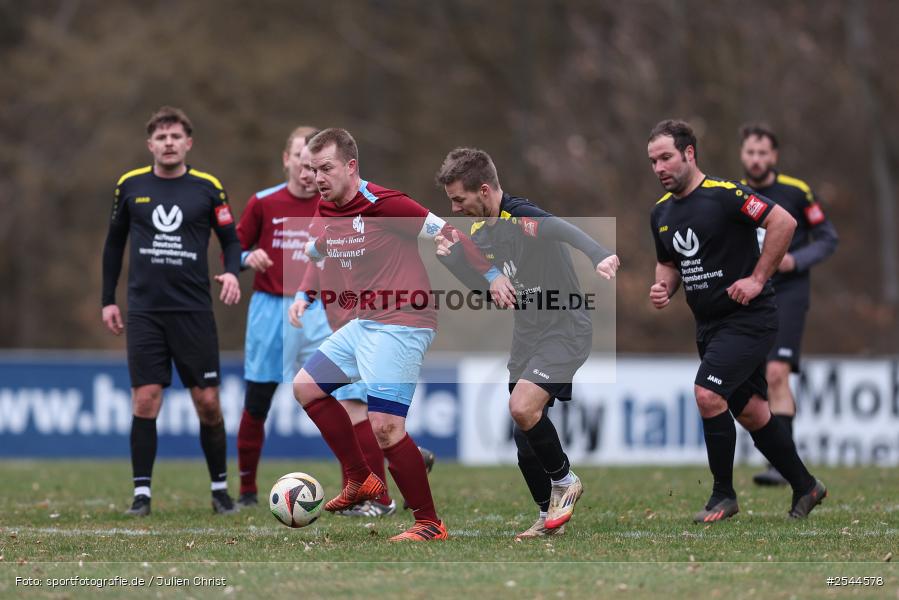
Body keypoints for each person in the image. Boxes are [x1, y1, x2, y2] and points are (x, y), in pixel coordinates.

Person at [433, 148, 620, 539]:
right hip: (528, 333)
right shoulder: (481, 233)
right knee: (524, 434)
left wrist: (600, 254)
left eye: (458, 199)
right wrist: (463, 267)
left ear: (483, 190)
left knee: (521, 407)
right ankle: (547, 516)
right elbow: (492, 293)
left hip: (564, 327)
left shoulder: (521, 216)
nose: (454, 207)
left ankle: (566, 480)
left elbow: (561, 229)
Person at [647, 119, 826, 523]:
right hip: (708, 327)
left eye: (666, 157)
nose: (659, 167)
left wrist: (757, 278)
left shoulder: (725, 195)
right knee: (753, 413)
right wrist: (663, 287)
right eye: (653, 161)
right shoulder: (660, 213)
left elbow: (784, 222)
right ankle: (806, 485)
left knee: (708, 395)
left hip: (749, 319)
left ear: (689, 154)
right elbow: (669, 263)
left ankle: (723, 496)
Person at [288, 128, 453, 541]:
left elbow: (445, 232)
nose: (317, 177)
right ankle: (361, 479)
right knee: (307, 388)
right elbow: (317, 252)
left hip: (403, 321)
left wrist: (489, 276)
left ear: (350, 166)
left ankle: (429, 523)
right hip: (365, 322)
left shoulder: (386, 203)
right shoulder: (326, 209)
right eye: (312, 169)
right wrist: (305, 294)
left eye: (325, 168)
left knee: (385, 427)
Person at [101, 106, 242, 516]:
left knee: (208, 402)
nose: (168, 143)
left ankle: (220, 492)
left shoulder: (208, 187)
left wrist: (232, 273)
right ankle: (141, 496)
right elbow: (113, 245)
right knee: (145, 399)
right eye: (161, 137)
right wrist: (108, 299)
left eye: (175, 137)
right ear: (150, 145)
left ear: (188, 143)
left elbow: (231, 241)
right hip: (145, 311)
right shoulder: (129, 186)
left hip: (194, 310)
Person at [233, 126, 334, 507]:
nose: (308, 172)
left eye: (316, 165)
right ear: (286, 160)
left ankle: (362, 489)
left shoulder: (334, 203)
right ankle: (246, 492)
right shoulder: (263, 203)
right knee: (257, 399)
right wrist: (245, 258)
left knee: (343, 398)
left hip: (320, 310)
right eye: (301, 162)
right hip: (270, 309)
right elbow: (234, 249)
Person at [738, 124, 839, 486]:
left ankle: (783, 465)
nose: (756, 159)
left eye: (763, 153)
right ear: (742, 154)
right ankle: (779, 460)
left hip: (790, 291)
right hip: (752, 292)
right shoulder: (735, 194)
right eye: (751, 152)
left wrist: (794, 261)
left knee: (777, 372)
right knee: (758, 377)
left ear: (774, 156)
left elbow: (828, 237)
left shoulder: (797, 192)